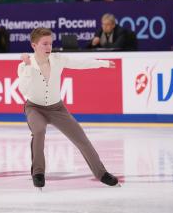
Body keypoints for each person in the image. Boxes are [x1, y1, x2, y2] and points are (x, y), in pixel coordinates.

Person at [17, 27, 119, 188]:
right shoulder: (24, 66)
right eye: (44, 44)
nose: (49, 47)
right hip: (34, 108)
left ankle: (102, 173)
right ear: (34, 45)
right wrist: (28, 66)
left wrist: (103, 63)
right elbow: (24, 90)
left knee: (81, 138)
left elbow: (80, 63)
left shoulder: (58, 59)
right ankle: (38, 173)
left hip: (57, 108)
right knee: (38, 131)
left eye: (50, 43)